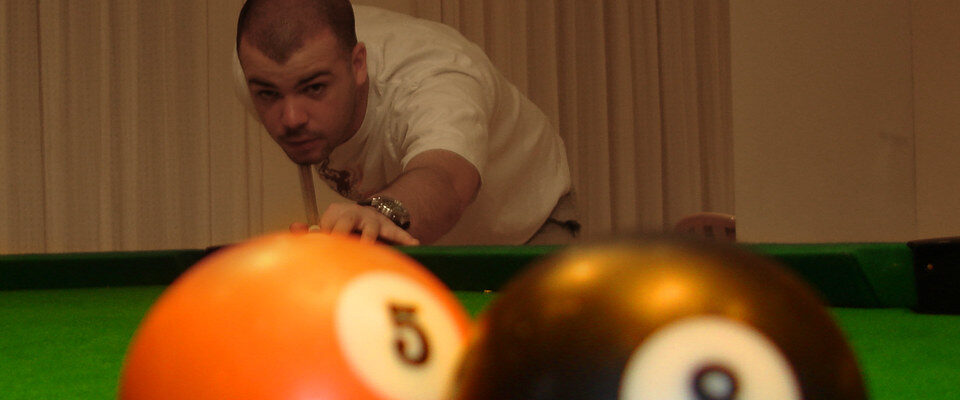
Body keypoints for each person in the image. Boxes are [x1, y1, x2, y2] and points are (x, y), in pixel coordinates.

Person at [235, 0, 574, 245]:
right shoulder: (255, 74)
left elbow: (446, 178)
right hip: (414, 244)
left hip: (526, 230)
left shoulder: (433, 81)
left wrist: (379, 215)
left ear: (358, 64)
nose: (291, 119)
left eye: (314, 88)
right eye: (268, 94)